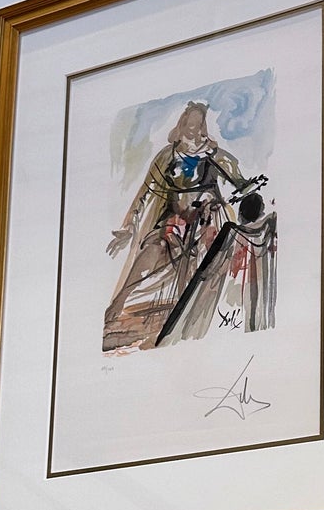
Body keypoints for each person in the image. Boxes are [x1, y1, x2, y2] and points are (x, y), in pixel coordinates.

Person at [102, 100, 276, 352]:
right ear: (181, 125)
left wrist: (249, 191)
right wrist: (128, 227)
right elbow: (145, 193)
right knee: (151, 250)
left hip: (207, 218)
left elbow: (240, 184)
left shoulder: (216, 157)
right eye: (189, 125)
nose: (193, 131)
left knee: (208, 251)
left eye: (198, 126)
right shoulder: (167, 156)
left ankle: (188, 315)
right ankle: (119, 302)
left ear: (203, 128)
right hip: (173, 220)